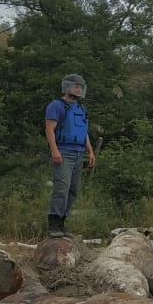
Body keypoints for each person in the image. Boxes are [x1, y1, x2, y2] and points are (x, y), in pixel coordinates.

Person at [44, 73, 95, 238]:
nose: (79, 89)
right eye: (76, 86)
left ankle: (62, 224)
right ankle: (53, 224)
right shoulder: (56, 105)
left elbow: (83, 131)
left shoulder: (81, 108)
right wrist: (54, 150)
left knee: (73, 190)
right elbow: (49, 129)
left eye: (81, 86)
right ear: (67, 86)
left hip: (79, 152)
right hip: (64, 151)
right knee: (61, 188)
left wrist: (90, 150)